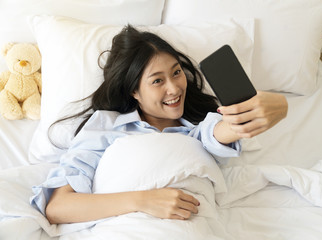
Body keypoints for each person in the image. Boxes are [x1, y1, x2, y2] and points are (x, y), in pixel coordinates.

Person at [31, 25, 288, 225]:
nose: (174, 88)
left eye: (176, 72)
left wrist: (263, 111)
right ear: (133, 90)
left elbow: (218, 134)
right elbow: (57, 207)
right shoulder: (106, 127)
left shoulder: (197, 130)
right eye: (157, 81)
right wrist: (143, 200)